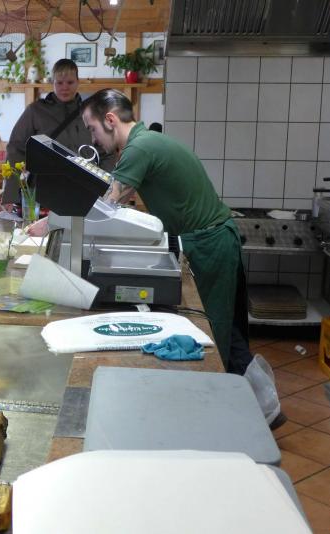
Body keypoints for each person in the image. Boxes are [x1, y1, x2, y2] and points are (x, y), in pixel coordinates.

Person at [80, 89, 265, 391]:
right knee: (223, 324)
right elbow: (117, 203)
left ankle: (218, 399)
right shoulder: (147, 142)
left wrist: (55, 221)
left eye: (93, 129)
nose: (94, 139)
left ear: (110, 120)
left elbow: (105, 206)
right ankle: (252, 398)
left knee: (212, 328)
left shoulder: (139, 148)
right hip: (212, 239)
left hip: (209, 243)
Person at [3, 59, 114, 204]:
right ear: (52, 83)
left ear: (78, 82)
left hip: (85, 191)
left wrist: (102, 186)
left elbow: (108, 151)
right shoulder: (35, 111)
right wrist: (11, 195)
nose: (65, 87)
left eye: (70, 82)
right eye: (59, 83)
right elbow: (15, 150)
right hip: (44, 193)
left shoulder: (92, 113)